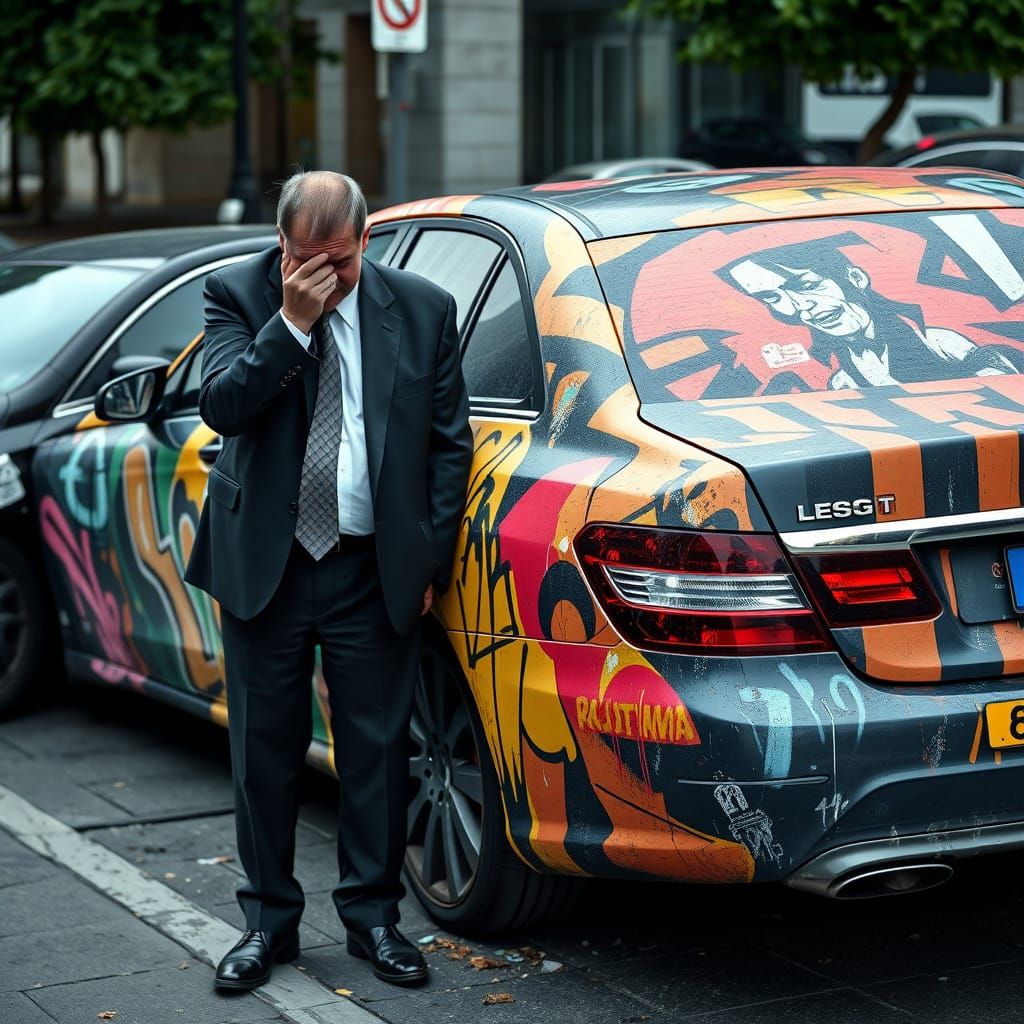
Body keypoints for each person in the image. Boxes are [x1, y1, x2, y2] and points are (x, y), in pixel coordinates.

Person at [185, 171, 473, 991]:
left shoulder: (420, 309)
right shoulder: (238, 295)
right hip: (266, 570)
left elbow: (448, 447)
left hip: (366, 566)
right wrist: (292, 321)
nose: (321, 274)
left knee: (377, 756)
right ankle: (267, 924)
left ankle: (374, 920)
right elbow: (224, 407)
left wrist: (424, 561)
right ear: (281, 245)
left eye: (337, 262)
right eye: (303, 259)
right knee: (263, 756)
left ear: (365, 241)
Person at [722, 235, 1020, 389]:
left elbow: (1003, 388)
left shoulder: (937, 342)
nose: (801, 306)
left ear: (855, 279)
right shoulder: (841, 383)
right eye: (773, 298)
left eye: (806, 285)